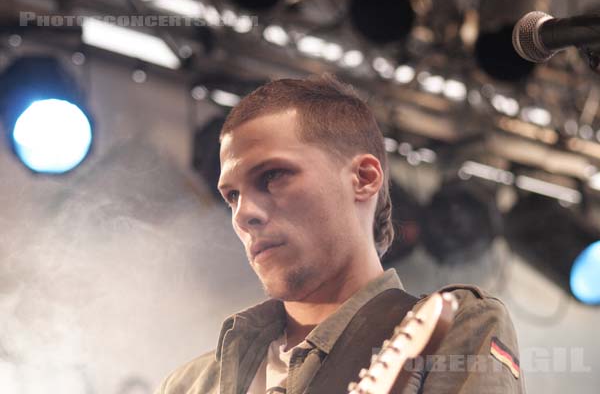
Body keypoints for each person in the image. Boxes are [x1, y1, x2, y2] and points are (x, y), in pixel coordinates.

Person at [154, 74, 524, 394]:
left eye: (272, 176)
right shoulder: (191, 383)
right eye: (232, 195)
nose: (243, 213)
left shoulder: (453, 329)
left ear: (364, 178)